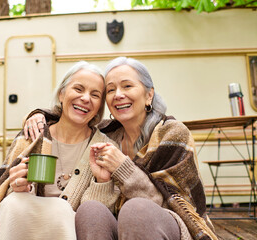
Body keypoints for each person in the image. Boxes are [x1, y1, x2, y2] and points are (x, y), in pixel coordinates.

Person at [23, 57, 217, 240]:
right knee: (90, 210)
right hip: (116, 223)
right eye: (110, 90)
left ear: (149, 95)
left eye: (127, 86)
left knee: (136, 210)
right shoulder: (106, 133)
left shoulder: (172, 133)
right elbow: (70, 118)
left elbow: (175, 205)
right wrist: (39, 116)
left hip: (169, 224)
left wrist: (124, 168)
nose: (118, 95)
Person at [0, 61, 119, 240]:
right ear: (61, 94)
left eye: (95, 95)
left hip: (71, 229)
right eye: (78, 89)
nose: (85, 98)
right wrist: (17, 185)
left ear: (99, 107)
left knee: (61, 209)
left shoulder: (104, 148)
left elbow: (96, 219)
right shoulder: (32, 136)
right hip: (27, 224)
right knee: (12, 203)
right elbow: (6, 200)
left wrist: (101, 182)